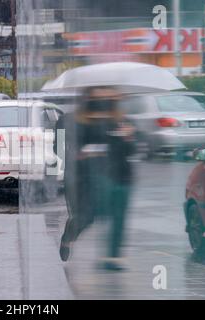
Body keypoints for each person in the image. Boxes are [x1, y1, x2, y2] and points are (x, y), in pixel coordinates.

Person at [55, 86, 135, 270]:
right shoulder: (68, 120)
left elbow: (131, 151)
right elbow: (57, 148)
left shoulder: (120, 121)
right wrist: (76, 154)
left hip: (114, 177)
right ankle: (69, 235)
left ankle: (112, 257)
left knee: (112, 216)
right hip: (80, 176)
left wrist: (128, 138)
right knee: (85, 216)